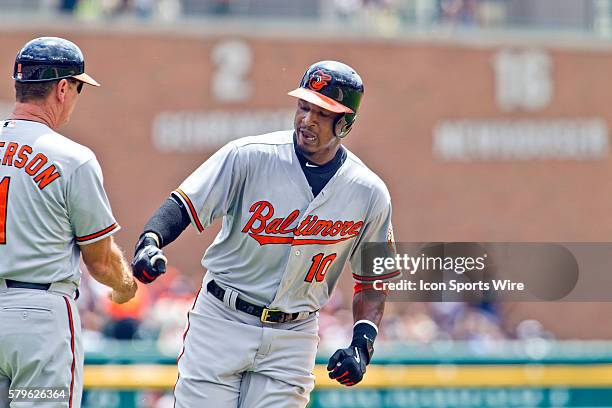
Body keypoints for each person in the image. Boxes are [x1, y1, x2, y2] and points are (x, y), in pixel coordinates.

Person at [132, 60, 399, 407]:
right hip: (222, 318)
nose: (307, 120)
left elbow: (373, 281)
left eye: (322, 113)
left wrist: (363, 342)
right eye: (304, 106)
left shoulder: (368, 192)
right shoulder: (250, 156)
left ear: (345, 123)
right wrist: (150, 241)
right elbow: (183, 205)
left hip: (294, 333)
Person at [0, 37, 137, 408]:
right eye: (78, 88)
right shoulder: (72, 158)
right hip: (39, 318)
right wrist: (126, 286)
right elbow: (101, 262)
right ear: (62, 88)